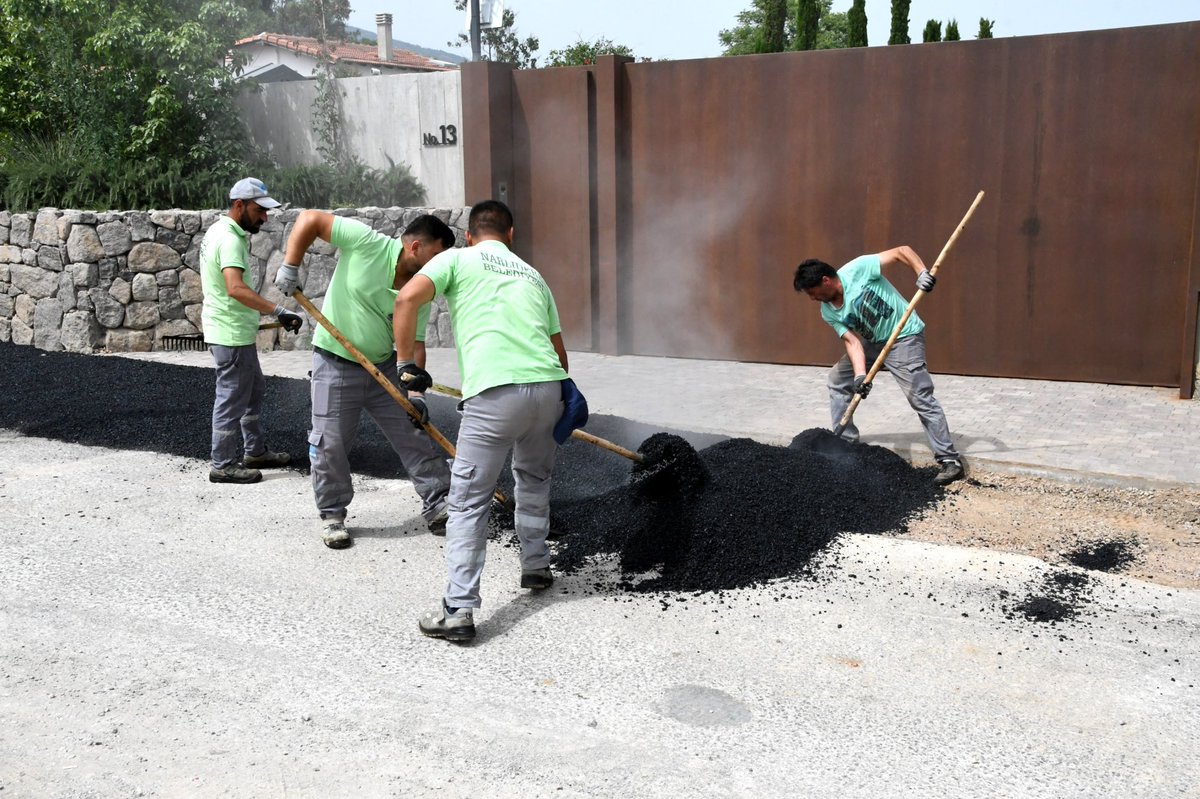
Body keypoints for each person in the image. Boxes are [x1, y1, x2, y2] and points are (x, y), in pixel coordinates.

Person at [394, 199, 575, 643]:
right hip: (548, 389)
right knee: (533, 479)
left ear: (471, 235)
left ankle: (458, 610)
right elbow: (559, 352)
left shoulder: (456, 259)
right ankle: (536, 566)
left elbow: (405, 299)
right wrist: (563, 394)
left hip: (495, 395)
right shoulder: (533, 275)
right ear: (511, 236)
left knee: (469, 500)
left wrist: (405, 365)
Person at [274, 211, 456, 550]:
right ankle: (332, 515)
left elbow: (415, 344)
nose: (440, 267)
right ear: (416, 247)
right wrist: (290, 264)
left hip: (385, 367)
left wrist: (416, 394)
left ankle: (438, 502)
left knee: (413, 429)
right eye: (437, 257)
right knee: (330, 442)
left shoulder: (421, 289)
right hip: (335, 361)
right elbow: (311, 220)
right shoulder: (365, 243)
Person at [793, 247, 964, 486]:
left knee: (919, 397)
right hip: (873, 342)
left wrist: (921, 272)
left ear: (826, 280)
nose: (812, 299)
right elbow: (852, 342)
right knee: (837, 380)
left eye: (813, 292)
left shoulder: (858, 269)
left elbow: (901, 252)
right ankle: (846, 443)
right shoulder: (828, 311)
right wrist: (860, 376)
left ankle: (950, 461)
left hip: (904, 336)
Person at [200, 177, 303, 485]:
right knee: (232, 396)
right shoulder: (230, 239)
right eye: (260, 210)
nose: (264, 217)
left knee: (253, 389)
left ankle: (255, 451)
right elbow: (235, 288)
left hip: (234, 331)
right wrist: (279, 310)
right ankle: (223, 463)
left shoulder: (219, 231)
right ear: (239, 205)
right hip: (229, 333)